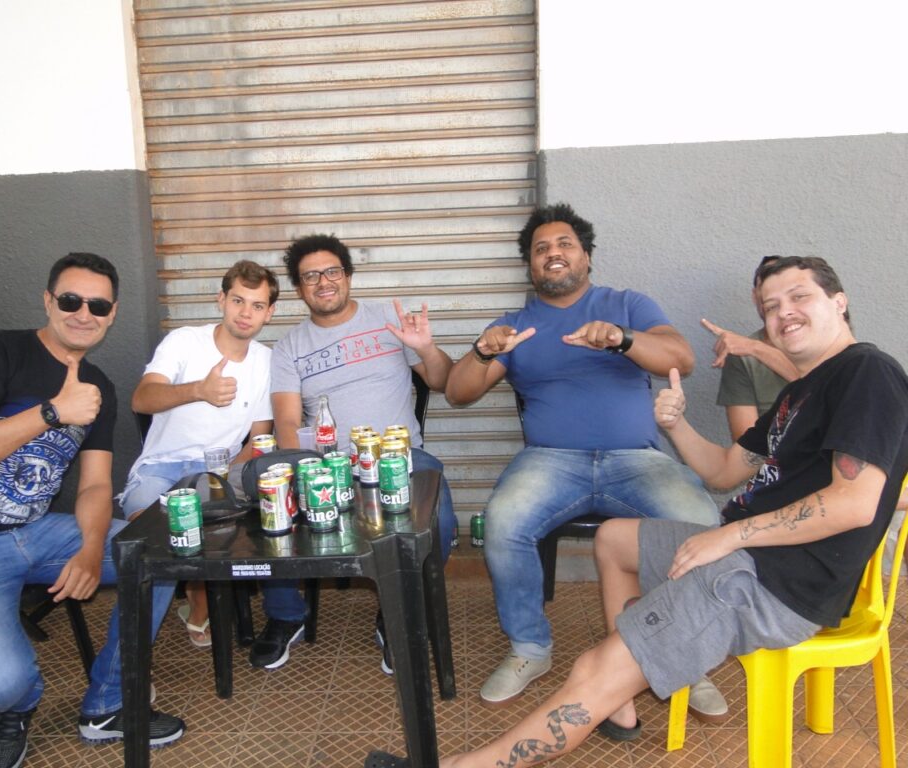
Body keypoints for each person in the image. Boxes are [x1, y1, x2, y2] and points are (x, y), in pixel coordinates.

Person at [370, 255, 908, 768]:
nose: (783, 313)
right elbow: (723, 471)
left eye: (798, 297)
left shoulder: (866, 372)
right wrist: (675, 425)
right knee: (614, 540)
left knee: (593, 669)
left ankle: (472, 759)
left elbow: (855, 503)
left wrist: (731, 536)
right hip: (756, 556)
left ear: (839, 302)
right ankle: (624, 694)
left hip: (772, 583)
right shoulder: (806, 390)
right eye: (770, 305)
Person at [444, 203, 725, 722]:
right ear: (530, 265)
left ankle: (683, 654)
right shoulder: (515, 325)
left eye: (564, 244)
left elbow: (681, 359)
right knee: (504, 521)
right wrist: (483, 353)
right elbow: (458, 393)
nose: (553, 253)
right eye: (541, 248)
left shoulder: (627, 304)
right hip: (550, 461)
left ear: (586, 256)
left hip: (637, 459)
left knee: (702, 523)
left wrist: (623, 339)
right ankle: (530, 647)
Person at [0, 253, 185, 768]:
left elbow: (95, 484)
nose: (83, 314)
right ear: (48, 301)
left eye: (97, 305)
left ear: (112, 314)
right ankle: (18, 707)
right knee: (1, 685)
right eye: (71, 300)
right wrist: (53, 412)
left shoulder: (98, 386)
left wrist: (92, 548)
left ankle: (108, 703)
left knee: (157, 554)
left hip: (37, 532)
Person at [263, 233, 457, 673]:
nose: (324, 282)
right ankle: (286, 616)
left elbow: (442, 381)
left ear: (348, 276)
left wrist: (425, 347)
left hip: (400, 456)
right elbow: (287, 422)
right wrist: (305, 473)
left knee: (440, 522)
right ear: (299, 288)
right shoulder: (289, 347)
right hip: (328, 463)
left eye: (332, 271)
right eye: (311, 276)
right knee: (272, 510)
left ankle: (397, 610)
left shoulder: (388, 319)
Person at [120, 260, 278, 648]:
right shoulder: (184, 341)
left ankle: (199, 593)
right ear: (221, 299)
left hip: (218, 472)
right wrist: (198, 391)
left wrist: (227, 481)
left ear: (269, 313)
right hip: (162, 469)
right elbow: (142, 399)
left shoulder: (266, 361)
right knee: (153, 547)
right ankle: (128, 664)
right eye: (238, 300)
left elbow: (259, 439)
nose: (246, 313)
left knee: (217, 532)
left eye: (257, 305)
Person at [701, 254, 798, 440]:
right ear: (755, 296)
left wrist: (756, 349)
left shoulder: (825, 343)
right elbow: (746, 442)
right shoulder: (741, 356)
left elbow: (823, 392)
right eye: (766, 284)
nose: (775, 295)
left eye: (784, 285)